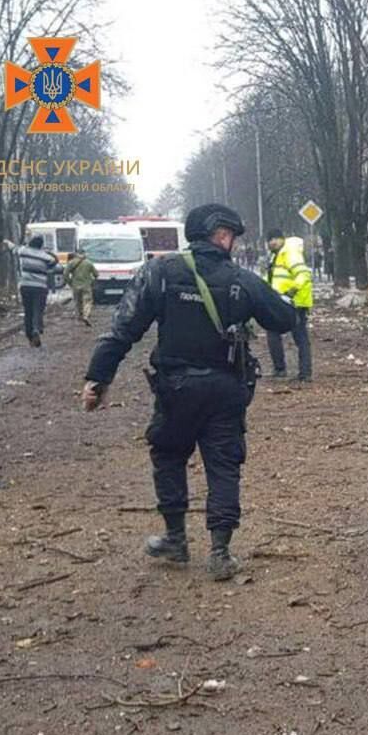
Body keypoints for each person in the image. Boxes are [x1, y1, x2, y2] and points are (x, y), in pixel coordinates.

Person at [81, 204, 296, 580]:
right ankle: (221, 552)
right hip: (227, 388)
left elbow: (122, 329)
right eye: (231, 235)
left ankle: (176, 538)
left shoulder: (160, 272)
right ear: (221, 235)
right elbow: (283, 318)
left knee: (168, 455)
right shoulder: (240, 279)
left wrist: (98, 379)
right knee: (224, 464)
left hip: (175, 388)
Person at [266, 230, 313, 381]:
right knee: (273, 333)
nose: (272, 242)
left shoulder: (290, 253)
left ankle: (304, 373)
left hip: (294, 302)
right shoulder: (276, 256)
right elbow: (273, 279)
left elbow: (303, 274)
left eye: (275, 239)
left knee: (299, 337)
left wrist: (292, 291)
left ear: (282, 239)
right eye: (269, 240)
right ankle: (281, 369)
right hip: (280, 301)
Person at [15, 235, 58, 347]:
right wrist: (47, 252)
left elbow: (14, 248)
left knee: (28, 311)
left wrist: (7, 243)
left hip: (26, 286)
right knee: (38, 310)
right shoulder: (45, 256)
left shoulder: (23, 251)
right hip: (40, 287)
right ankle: (37, 329)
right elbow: (54, 262)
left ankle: (29, 334)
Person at [65, 248, 98, 325]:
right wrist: (91, 281)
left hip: (75, 286)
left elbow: (65, 274)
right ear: (84, 253)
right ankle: (86, 316)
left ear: (76, 254)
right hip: (86, 286)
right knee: (87, 301)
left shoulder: (71, 263)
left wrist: (70, 283)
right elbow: (96, 274)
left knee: (77, 302)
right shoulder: (89, 263)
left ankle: (78, 318)